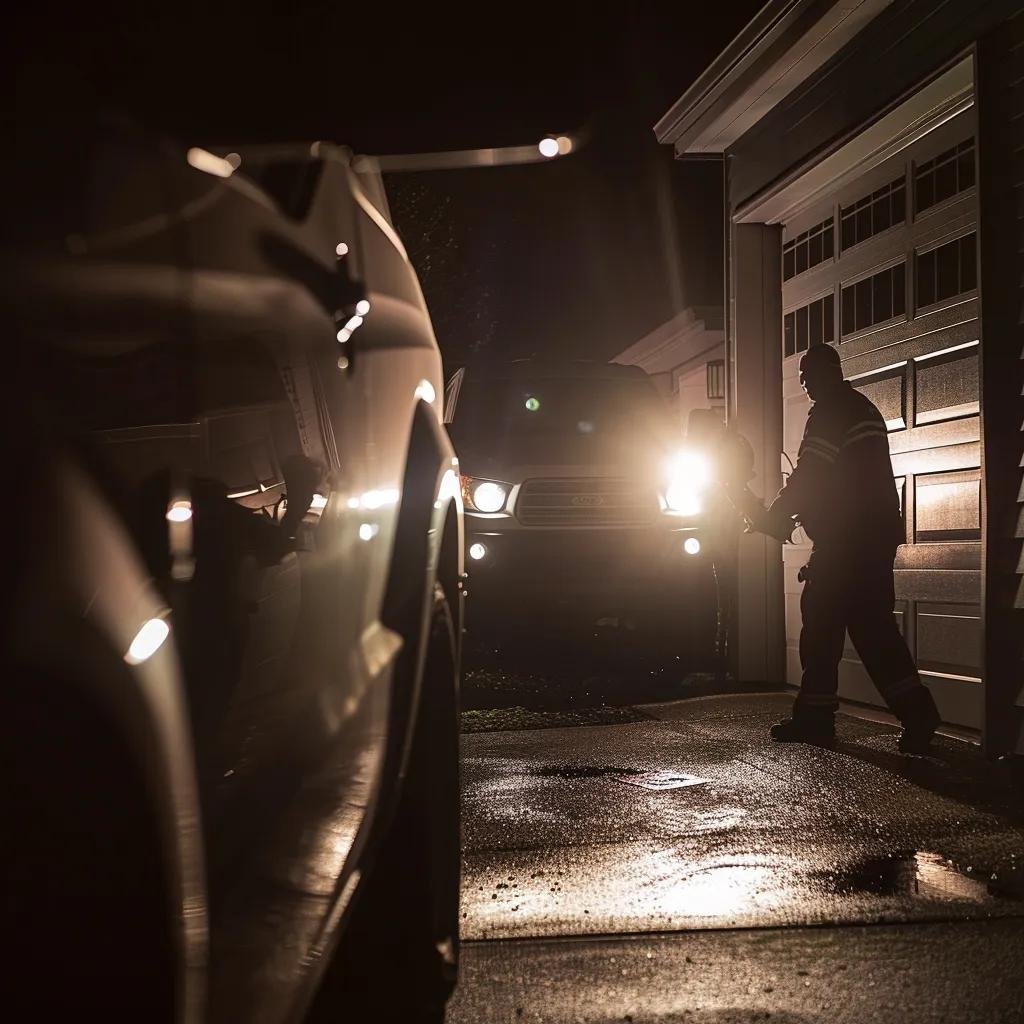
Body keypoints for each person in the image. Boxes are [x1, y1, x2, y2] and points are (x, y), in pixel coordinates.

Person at [743, 343, 940, 753]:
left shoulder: (831, 412)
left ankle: (816, 719)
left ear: (826, 374)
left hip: (847, 541)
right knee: (872, 628)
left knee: (822, 622)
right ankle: (917, 713)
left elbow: (813, 474)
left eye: (809, 377)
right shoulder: (860, 407)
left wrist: (776, 514)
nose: (807, 385)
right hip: (870, 537)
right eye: (803, 379)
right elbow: (841, 478)